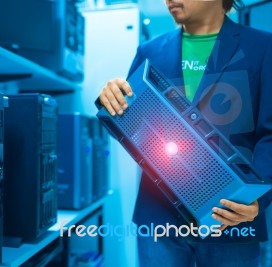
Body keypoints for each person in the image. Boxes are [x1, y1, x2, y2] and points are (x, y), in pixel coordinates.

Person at [96, 0, 272, 266]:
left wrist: (259, 198)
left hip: (229, 215)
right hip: (159, 217)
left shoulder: (263, 47)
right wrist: (112, 101)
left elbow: (269, 134)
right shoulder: (149, 51)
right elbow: (132, 129)